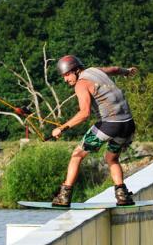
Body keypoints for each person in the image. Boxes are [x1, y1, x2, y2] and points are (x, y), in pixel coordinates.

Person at [50, 55, 138, 207]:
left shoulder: (81, 84)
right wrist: (127, 71)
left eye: (66, 75)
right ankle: (123, 195)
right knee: (111, 158)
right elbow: (115, 69)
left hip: (110, 124)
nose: (65, 80)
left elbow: (84, 114)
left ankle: (64, 196)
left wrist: (62, 128)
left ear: (76, 71)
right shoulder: (95, 70)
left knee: (77, 155)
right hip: (128, 124)